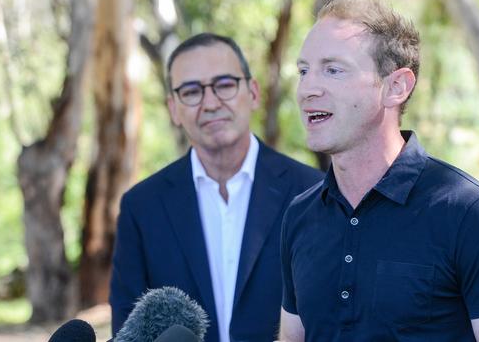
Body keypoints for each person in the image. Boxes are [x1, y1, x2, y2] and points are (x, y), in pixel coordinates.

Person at [279, 0, 479, 341]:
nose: (307, 89)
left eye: (333, 69)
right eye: (304, 70)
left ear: (396, 87)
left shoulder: (473, 215)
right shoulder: (300, 215)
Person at [109, 33, 323, 342]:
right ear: (173, 108)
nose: (210, 103)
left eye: (224, 85)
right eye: (191, 91)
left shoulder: (312, 192)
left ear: (252, 92)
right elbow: (128, 331)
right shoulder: (141, 207)